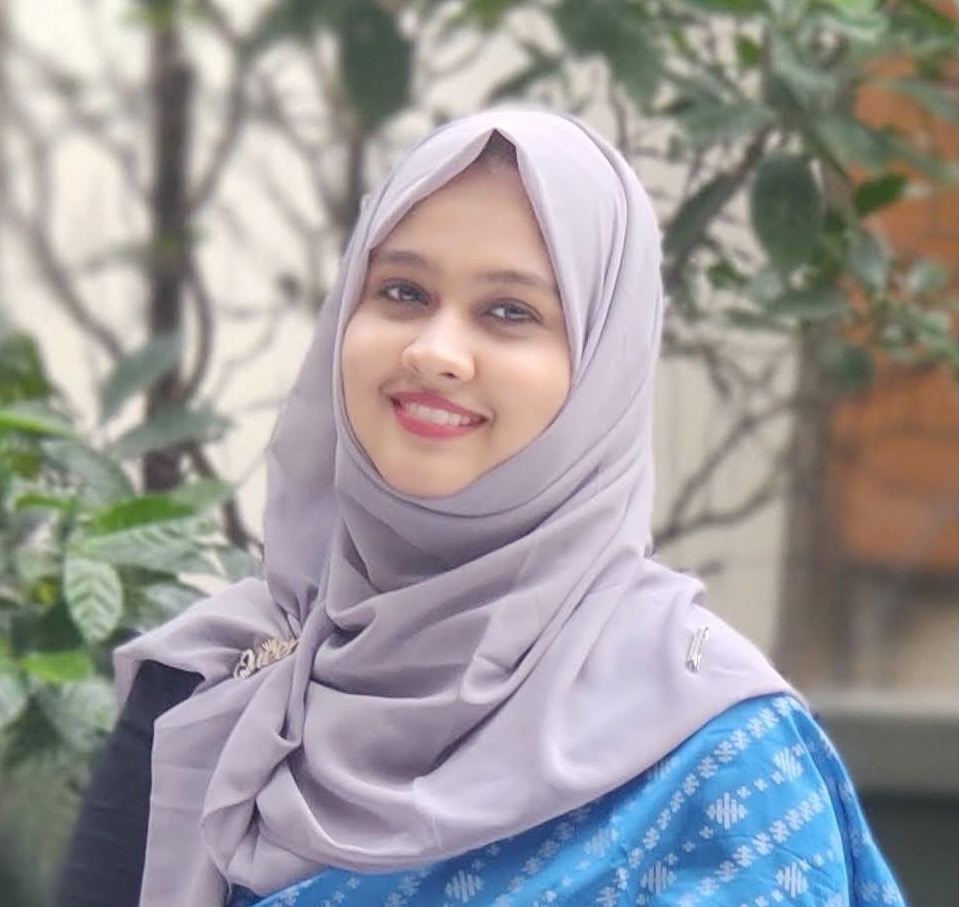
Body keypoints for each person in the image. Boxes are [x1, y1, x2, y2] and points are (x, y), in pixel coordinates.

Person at [54, 109, 906, 907]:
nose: (435, 351)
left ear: (602, 372)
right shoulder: (219, 685)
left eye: (509, 311)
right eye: (401, 294)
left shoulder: (717, 759)